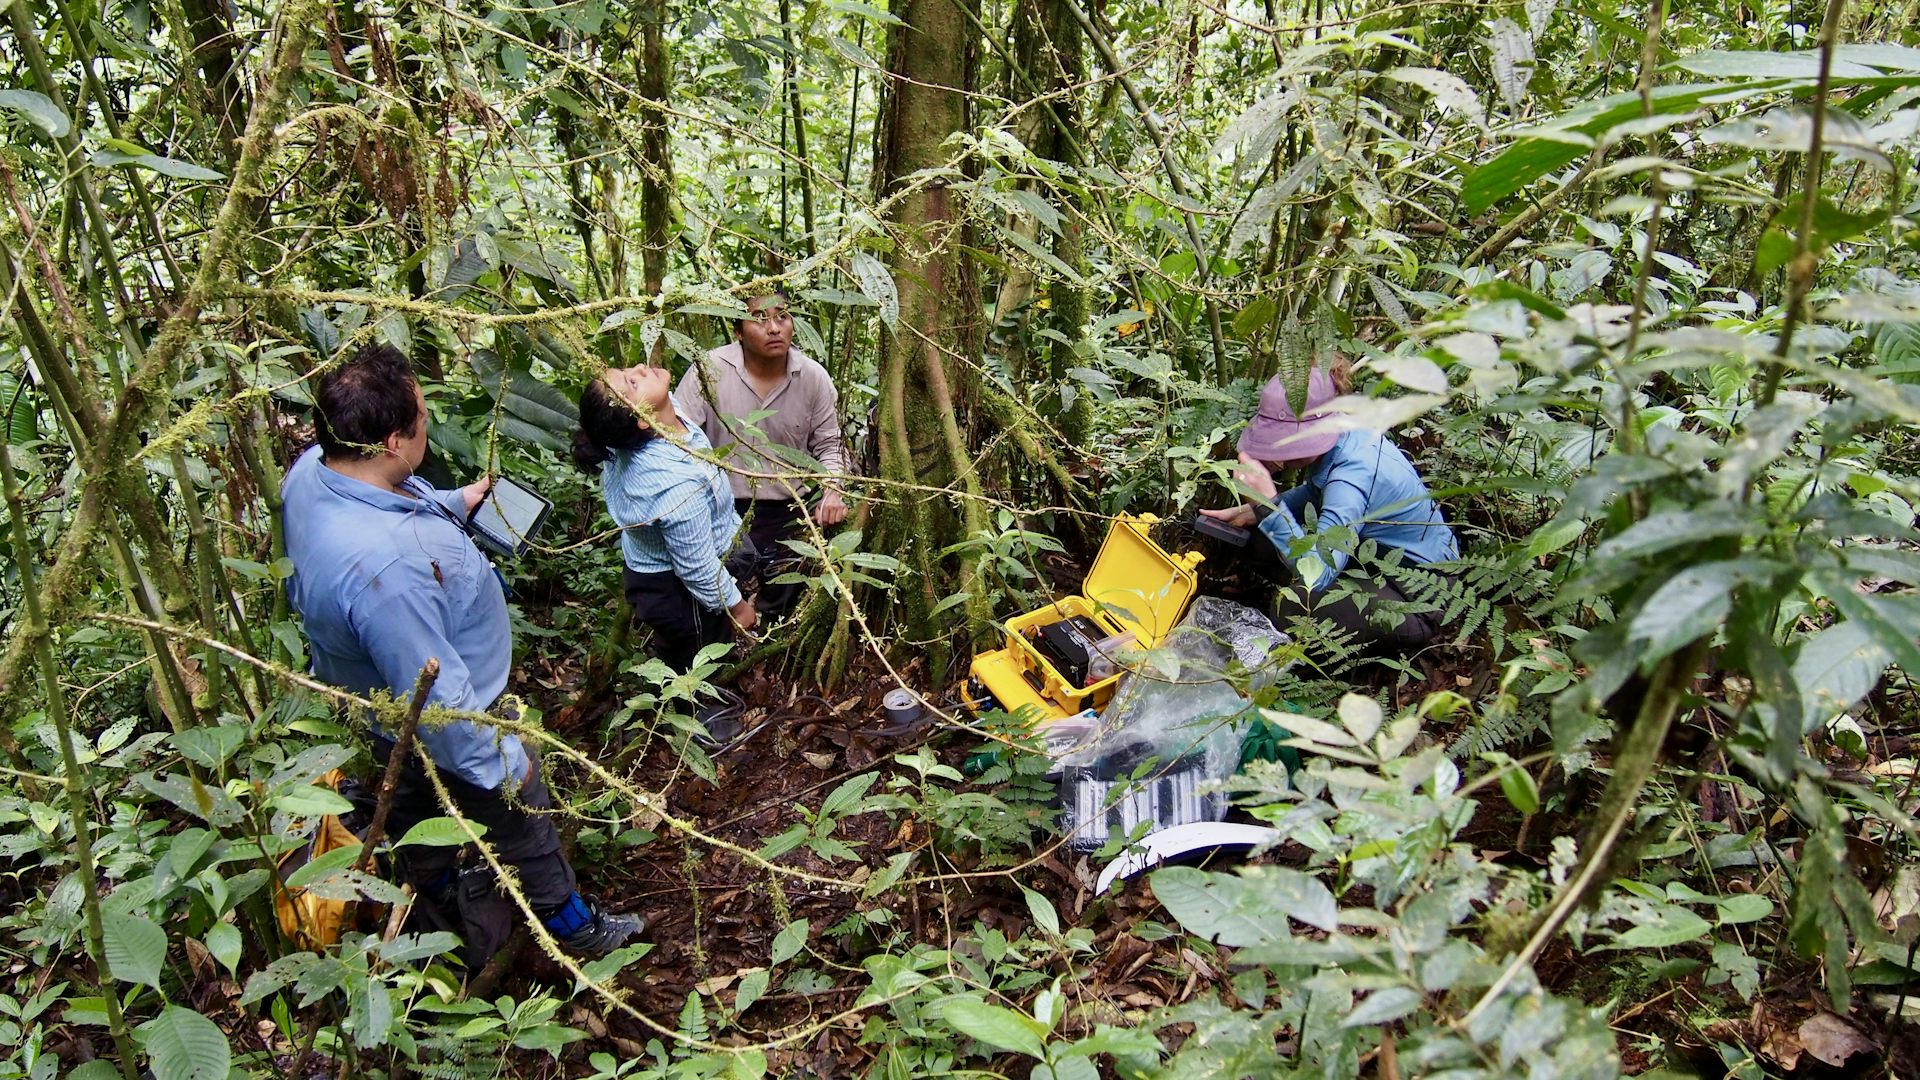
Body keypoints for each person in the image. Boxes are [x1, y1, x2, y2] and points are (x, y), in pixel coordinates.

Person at [282, 343, 642, 966]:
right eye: (422, 415)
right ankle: (571, 928)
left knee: (416, 810)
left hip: (369, 704)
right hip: (440, 714)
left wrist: (450, 507)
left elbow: (377, 516)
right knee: (521, 817)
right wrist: (506, 765)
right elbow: (440, 706)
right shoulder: (388, 570)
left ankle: (444, 902)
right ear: (395, 441)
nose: (428, 421)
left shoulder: (315, 469)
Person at [1201, 360, 1460, 653]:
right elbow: (1317, 491)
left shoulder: (1352, 478)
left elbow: (1317, 572)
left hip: (1419, 596)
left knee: (1292, 609)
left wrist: (1270, 508)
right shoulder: (1347, 433)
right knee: (1257, 536)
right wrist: (1256, 510)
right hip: (1373, 563)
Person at [573, 364, 757, 737]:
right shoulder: (670, 488)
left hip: (676, 564)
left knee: (690, 642)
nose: (640, 368)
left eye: (627, 371)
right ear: (641, 420)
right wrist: (737, 606)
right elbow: (697, 568)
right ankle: (703, 723)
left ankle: (686, 689)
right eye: (632, 382)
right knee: (699, 649)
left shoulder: (663, 417)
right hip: (673, 588)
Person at [675, 290, 849, 616]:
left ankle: (769, 649)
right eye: (760, 319)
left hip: (789, 509)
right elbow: (679, 439)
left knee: (780, 605)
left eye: (782, 316)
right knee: (713, 603)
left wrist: (833, 490)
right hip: (721, 508)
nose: (774, 328)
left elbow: (829, 444)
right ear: (738, 332)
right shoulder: (709, 370)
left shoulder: (813, 378)